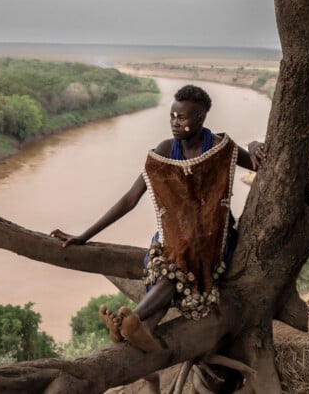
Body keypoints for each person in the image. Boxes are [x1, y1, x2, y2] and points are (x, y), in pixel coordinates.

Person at [51, 84, 266, 352]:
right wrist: (84, 236)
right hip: (174, 238)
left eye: (183, 118)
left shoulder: (221, 147)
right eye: (172, 116)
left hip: (214, 238)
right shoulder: (165, 150)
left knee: (175, 267)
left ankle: (127, 322)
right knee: (170, 266)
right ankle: (138, 328)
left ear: (200, 118)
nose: (175, 123)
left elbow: (259, 163)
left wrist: (254, 144)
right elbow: (130, 199)